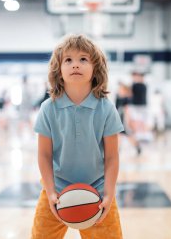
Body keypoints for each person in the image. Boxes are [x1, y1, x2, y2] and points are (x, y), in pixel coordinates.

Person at [31, 34, 124, 239]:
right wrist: (51, 192)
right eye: (68, 60)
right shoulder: (48, 108)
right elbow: (44, 155)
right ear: (59, 69)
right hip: (55, 192)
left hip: (98, 192)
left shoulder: (106, 108)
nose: (75, 65)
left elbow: (112, 157)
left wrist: (108, 193)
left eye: (83, 59)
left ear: (95, 69)